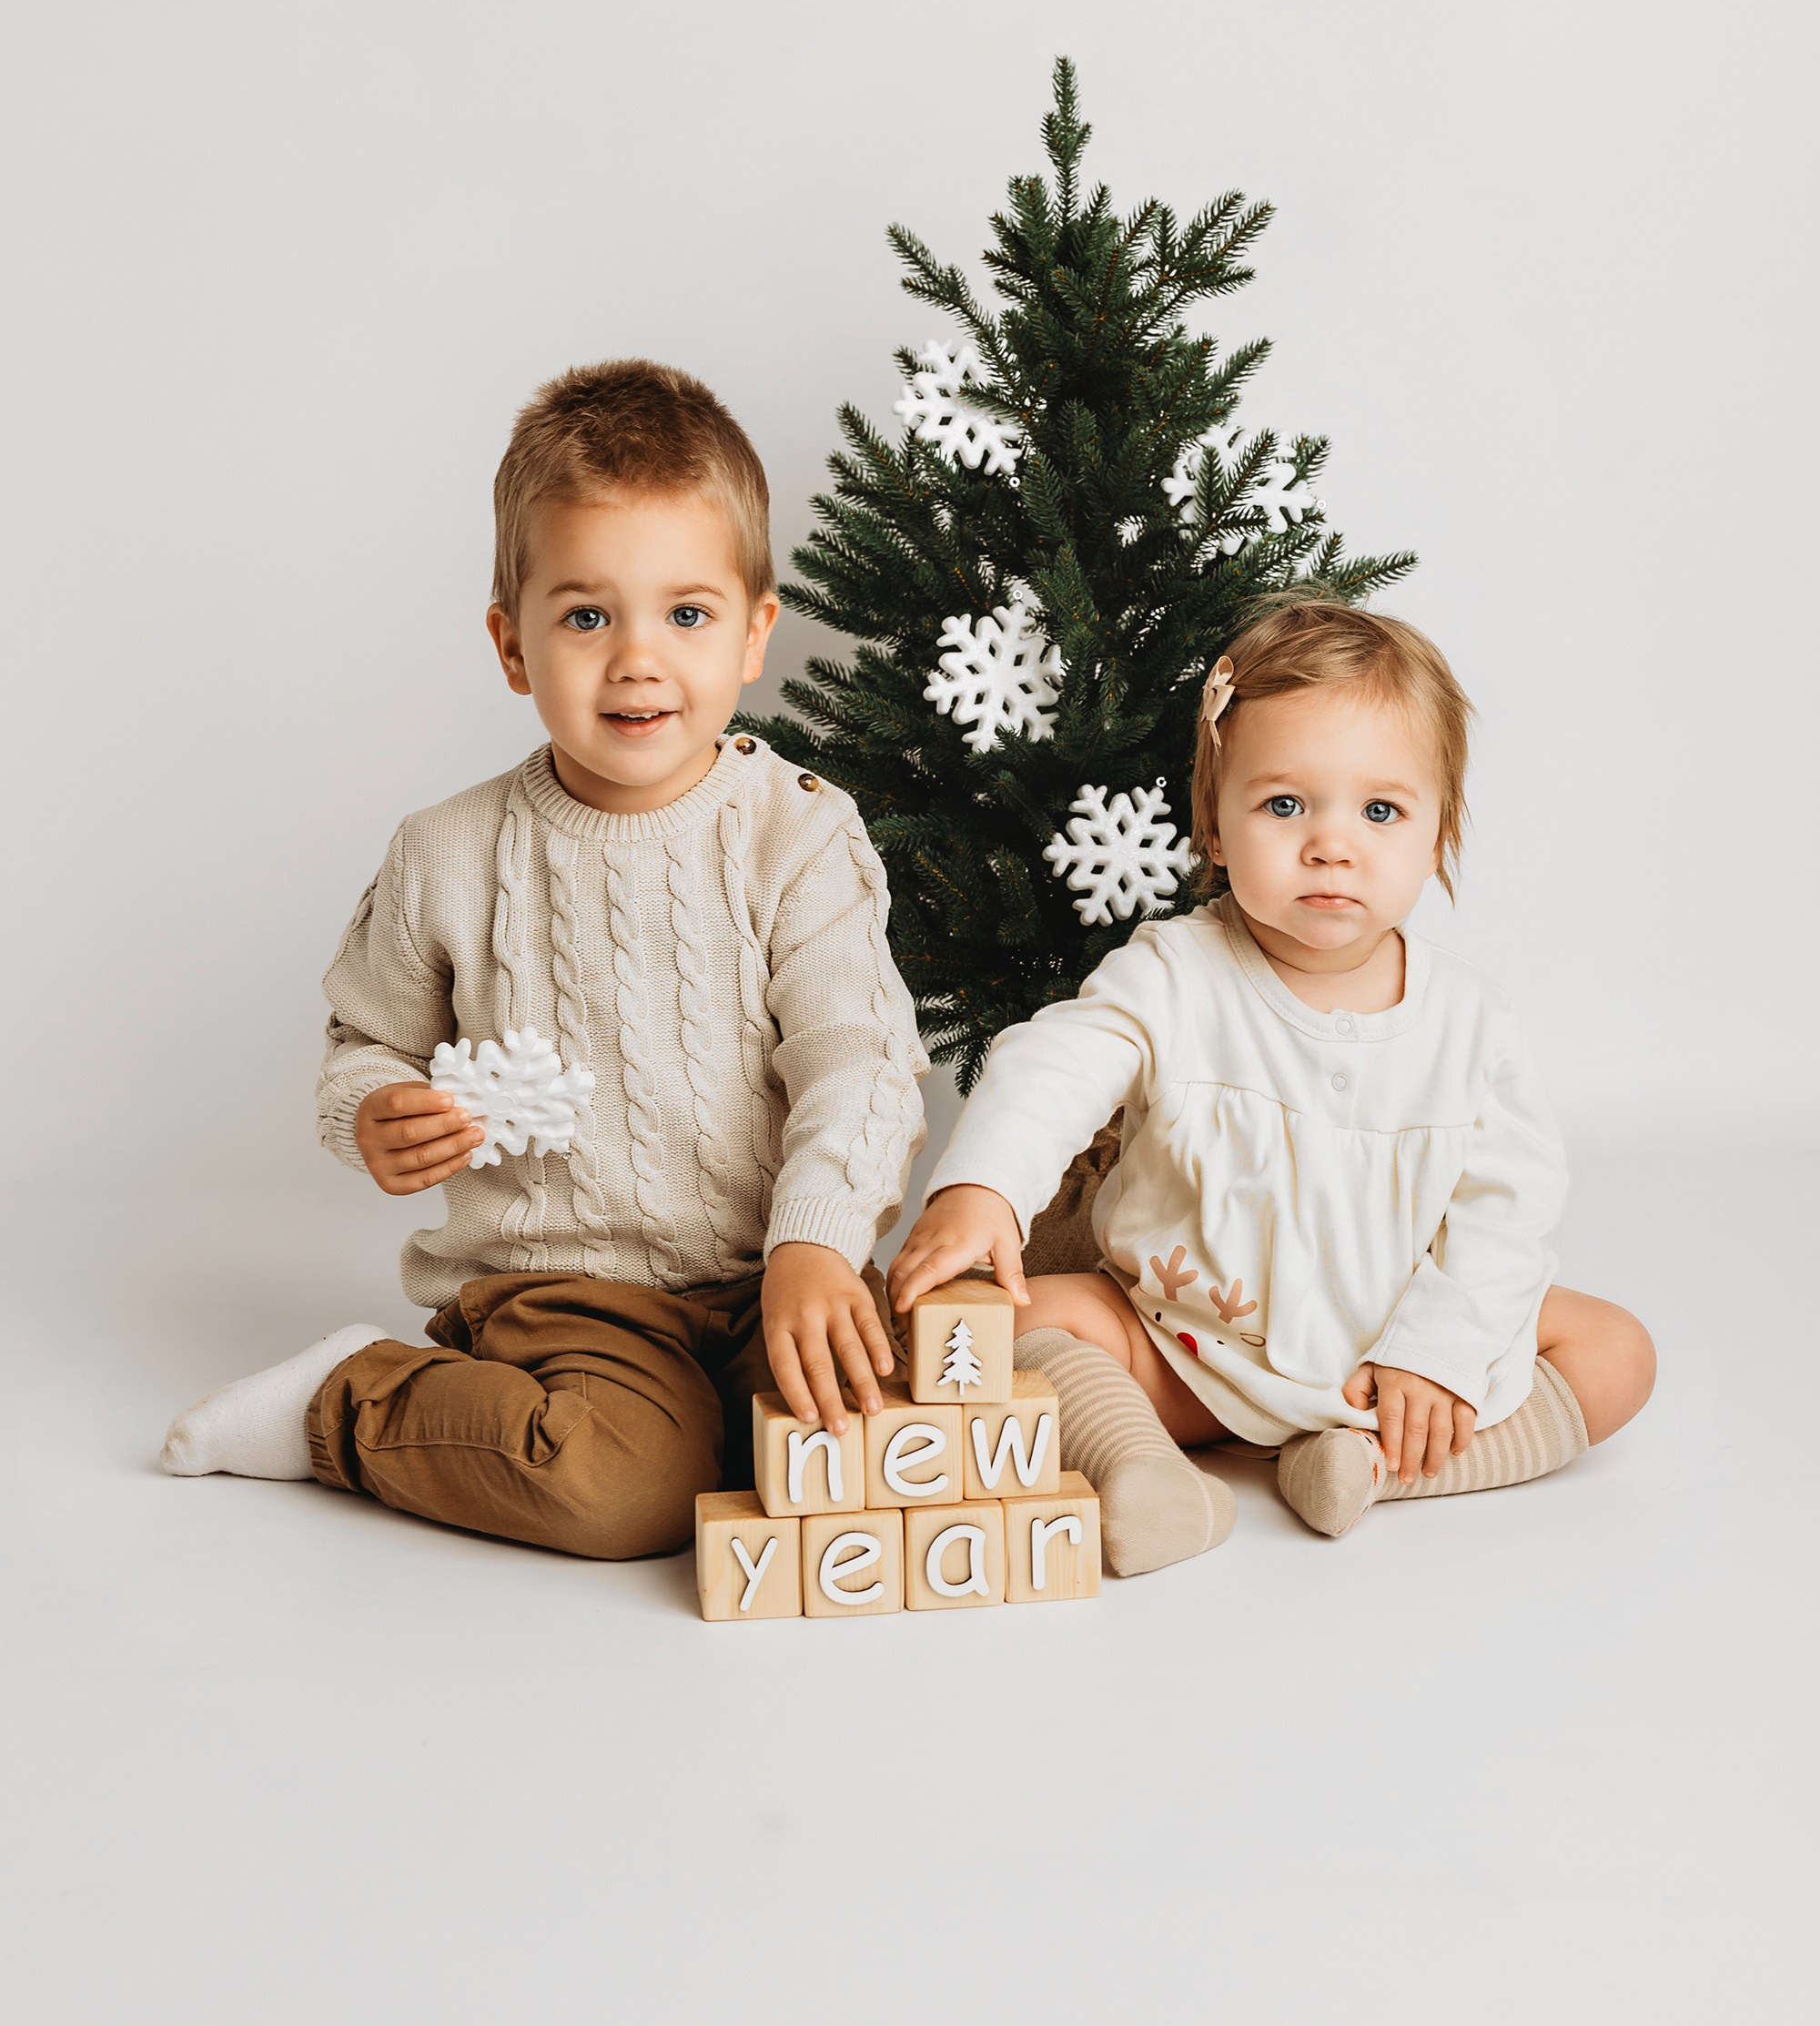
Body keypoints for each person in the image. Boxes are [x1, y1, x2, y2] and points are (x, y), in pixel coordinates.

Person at [162, 360, 927, 1556]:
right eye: (585, 614)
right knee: (622, 1487)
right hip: (564, 1291)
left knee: (901, 1425)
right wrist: (377, 1109)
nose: (637, 658)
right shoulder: (449, 853)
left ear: (754, 634)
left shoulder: (801, 830)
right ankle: (347, 1401)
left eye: (686, 613)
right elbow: (366, 1042)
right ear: (512, 643)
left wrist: (817, 1241)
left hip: (768, 1265)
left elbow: (858, 1056)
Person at [889, 599, 1654, 1575]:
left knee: (1615, 1350)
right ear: (1212, 825)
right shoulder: (1171, 973)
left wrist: (1438, 1354)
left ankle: (1372, 1465)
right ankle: (1142, 1469)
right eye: (1284, 805)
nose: (1331, 844)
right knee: (1019, 1321)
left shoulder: (1466, 1023)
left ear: (1437, 834)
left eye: (1379, 810)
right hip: (1190, 1352)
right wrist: (982, 1186)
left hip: (1387, 1361)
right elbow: (1055, 1063)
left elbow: (1506, 1206)